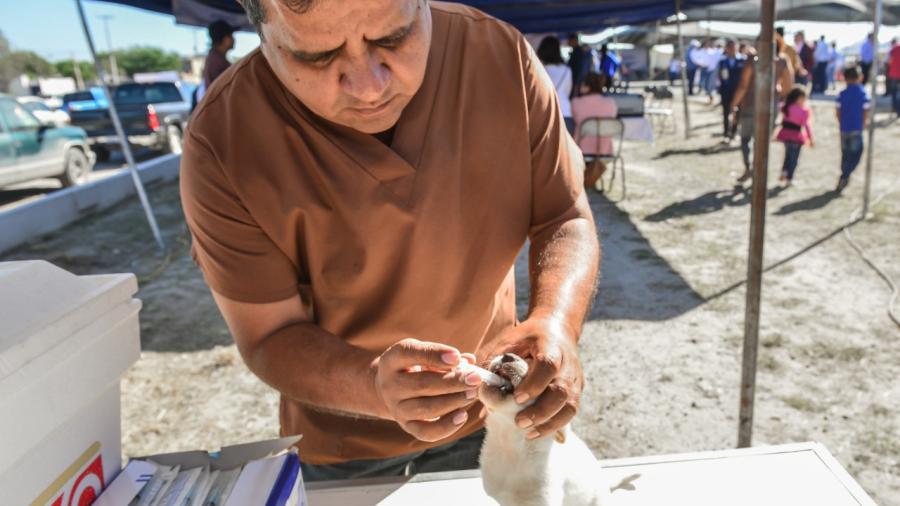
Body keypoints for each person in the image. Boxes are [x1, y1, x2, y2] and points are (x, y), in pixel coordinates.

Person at [181, 0, 599, 481]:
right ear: (260, 32)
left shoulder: (499, 57)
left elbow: (565, 213)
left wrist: (556, 320)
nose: (369, 86)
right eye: (317, 57)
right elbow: (267, 336)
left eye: (393, 39)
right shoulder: (224, 141)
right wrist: (371, 386)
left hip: (486, 415)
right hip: (342, 441)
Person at [730, 38, 795, 183]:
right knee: (762, 141)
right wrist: (776, 92)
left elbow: (743, 86)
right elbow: (788, 86)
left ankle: (750, 168)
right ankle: (757, 169)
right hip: (770, 106)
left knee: (746, 139)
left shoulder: (753, 60)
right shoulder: (782, 61)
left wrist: (733, 104)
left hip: (750, 105)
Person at [571, 73, 618, 190]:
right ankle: (592, 179)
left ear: (587, 86)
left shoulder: (576, 103)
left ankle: (583, 179)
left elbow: (575, 120)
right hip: (605, 150)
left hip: (580, 149)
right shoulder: (610, 103)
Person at [835, 66, 871, 191]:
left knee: (845, 154)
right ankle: (845, 175)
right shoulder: (863, 93)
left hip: (844, 128)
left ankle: (844, 174)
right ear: (860, 77)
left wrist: (841, 123)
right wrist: (864, 123)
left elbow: (838, 111)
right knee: (856, 154)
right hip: (856, 128)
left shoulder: (842, 94)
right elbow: (866, 110)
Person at [774, 86, 814, 186]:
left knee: (787, 155)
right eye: (804, 98)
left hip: (785, 134)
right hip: (796, 136)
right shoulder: (804, 111)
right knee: (794, 158)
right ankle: (789, 178)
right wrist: (810, 138)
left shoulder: (785, 107)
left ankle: (784, 172)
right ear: (799, 98)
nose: (805, 101)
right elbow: (806, 126)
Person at [538, 36, 575, 135]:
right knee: (565, 150)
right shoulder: (567, 70)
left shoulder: (538, 70)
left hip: (544, 115)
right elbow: (567, 92)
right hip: (565, 113)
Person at [717, 39, 746, 141]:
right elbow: (720, 76)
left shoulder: (743, 60)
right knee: (726, 112)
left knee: (737, 112)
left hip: (738, 92)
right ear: (727, 49)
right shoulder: (722, 61)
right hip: (726, 91)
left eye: (734, 47)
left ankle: (733, 132)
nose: (733, 50)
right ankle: (726, 134)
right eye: (730, 48)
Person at [203, 20, 236, 88]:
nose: (234, 39)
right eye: (231, 36)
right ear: (225, 39)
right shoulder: (216, 62)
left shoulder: (215, 59)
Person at [567, 33, 592, 98]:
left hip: (576, 81)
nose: (568, 42)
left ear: (574, 40)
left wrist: (577, 83)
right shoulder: (579, 51)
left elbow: (580, 68)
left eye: (569, 40)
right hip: (577, 81)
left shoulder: (578, 52)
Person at [888, 38, 900, 116]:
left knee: (894, 92)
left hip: (894, 73)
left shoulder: (893, 49)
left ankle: (895, 108)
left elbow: (889, 61)